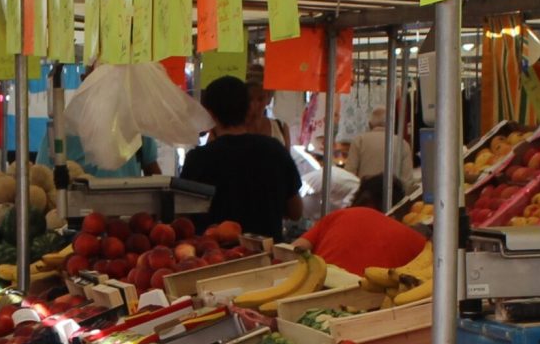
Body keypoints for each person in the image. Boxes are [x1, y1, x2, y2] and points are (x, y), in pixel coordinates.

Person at [178, 75, 302, 241]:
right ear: (247, 108)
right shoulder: (275, 150)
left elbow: (184, 217)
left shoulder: (199, 159)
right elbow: (295, 212)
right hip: (268, 257)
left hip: (216, 258)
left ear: (210, 113)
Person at [288, 205, 429, 277]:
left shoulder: (340, 214)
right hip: (372, 304)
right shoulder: (423, 246)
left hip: (317, 286)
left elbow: (292, 251)